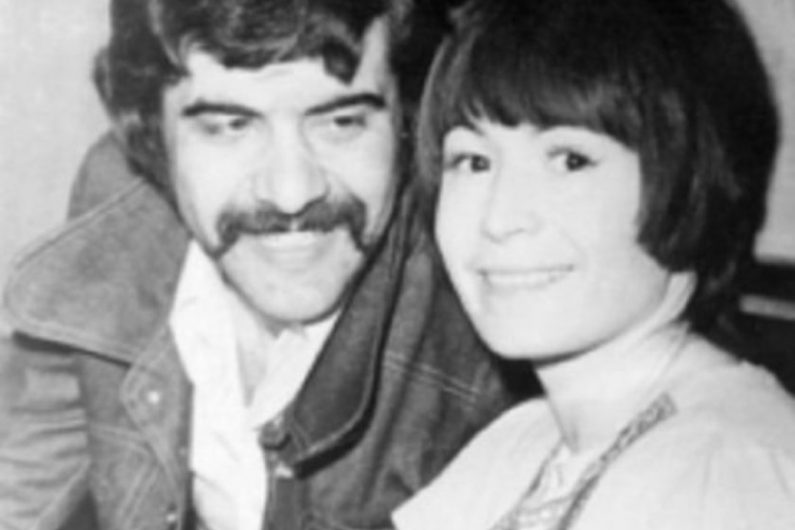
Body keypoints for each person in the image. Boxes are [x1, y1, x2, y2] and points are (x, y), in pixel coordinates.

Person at [0, 1, 523, 529]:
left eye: (342, 122)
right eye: (231, 126)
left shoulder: (496, 347)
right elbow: (24, 479)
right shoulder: (119, 213)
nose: (291, 192)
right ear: (154, 138)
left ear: (409, 121)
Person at [392, 0, 795, 528]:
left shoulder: (725, 473)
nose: (499, 218)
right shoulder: (521, 444)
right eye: (474, 161)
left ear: (690, 175)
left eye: (570, 160)